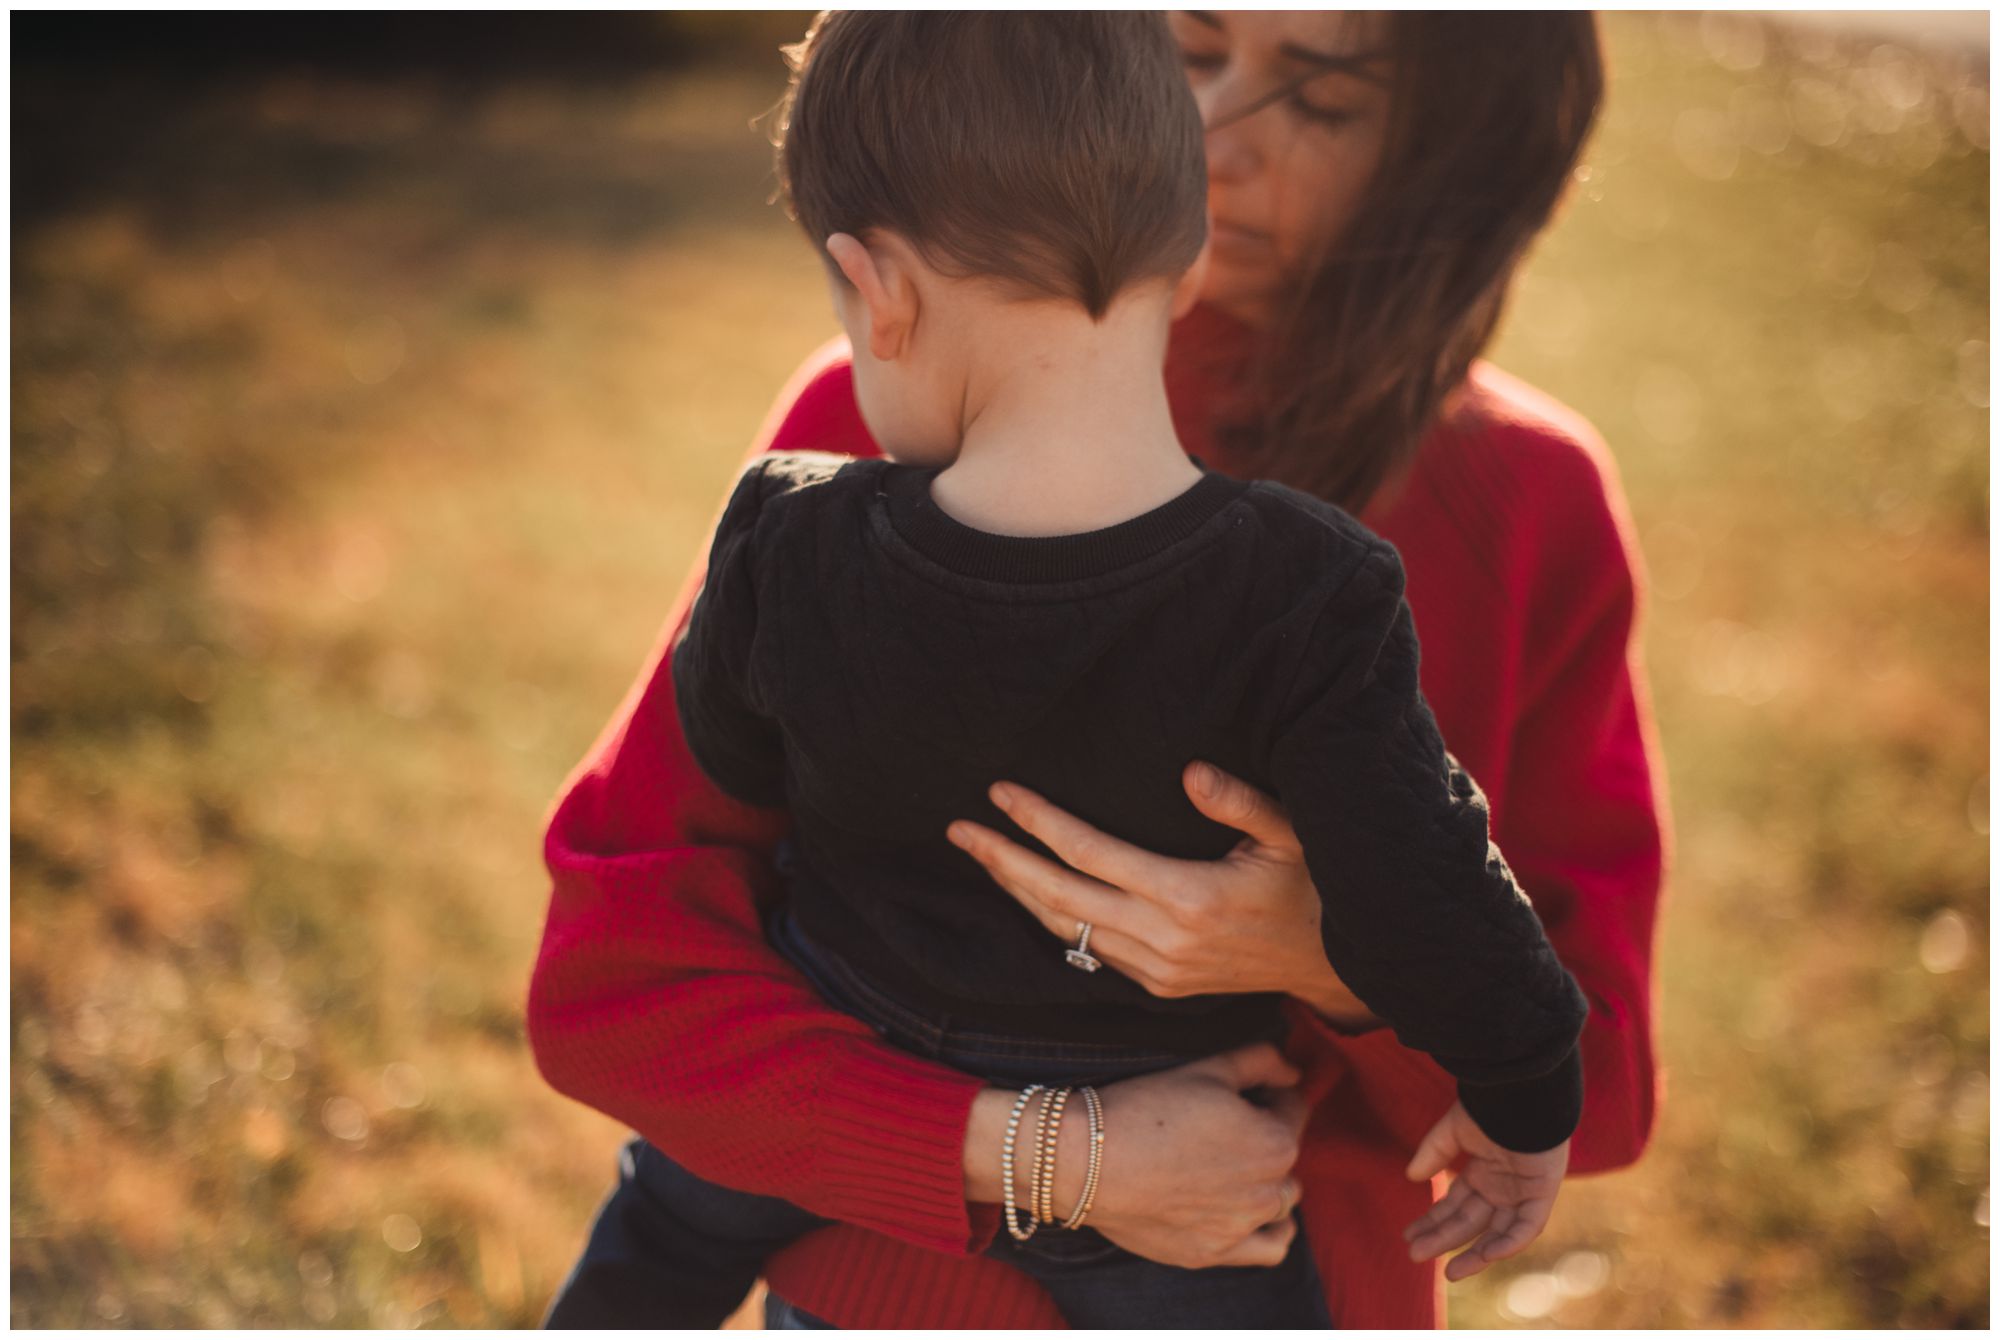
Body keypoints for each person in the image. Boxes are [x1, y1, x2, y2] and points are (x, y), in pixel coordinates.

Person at [527, 9, 1668, 1330]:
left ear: (1458, 154)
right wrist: (1045, 1150)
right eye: (1190, 52)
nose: (1211, 133)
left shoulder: (1523, 501)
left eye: (1323, 101)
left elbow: (1600, 1084)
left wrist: (1342, 959)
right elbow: (618, 966)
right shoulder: (882, 415)